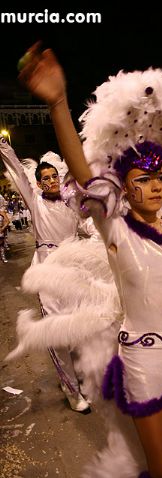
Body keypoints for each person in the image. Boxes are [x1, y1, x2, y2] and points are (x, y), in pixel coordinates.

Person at [19, 43, 162, 478]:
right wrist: (59, 103)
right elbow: (83, 174)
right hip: (143, 361)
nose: (155, 187)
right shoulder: (116, 228)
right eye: (143, 180)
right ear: (125, 188)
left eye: (160, 178)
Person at [0, 137, 90, 412]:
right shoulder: (35, 201)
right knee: (56, 330)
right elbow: (17, 172)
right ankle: (71, 388)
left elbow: (90, 226)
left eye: (54, 176)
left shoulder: (73, 201)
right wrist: (5, 147)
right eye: (45, 178)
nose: (51, 181)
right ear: (38, 183)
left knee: (79, 328)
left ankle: (84, 378)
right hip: (48, 270)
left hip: (75, 268)